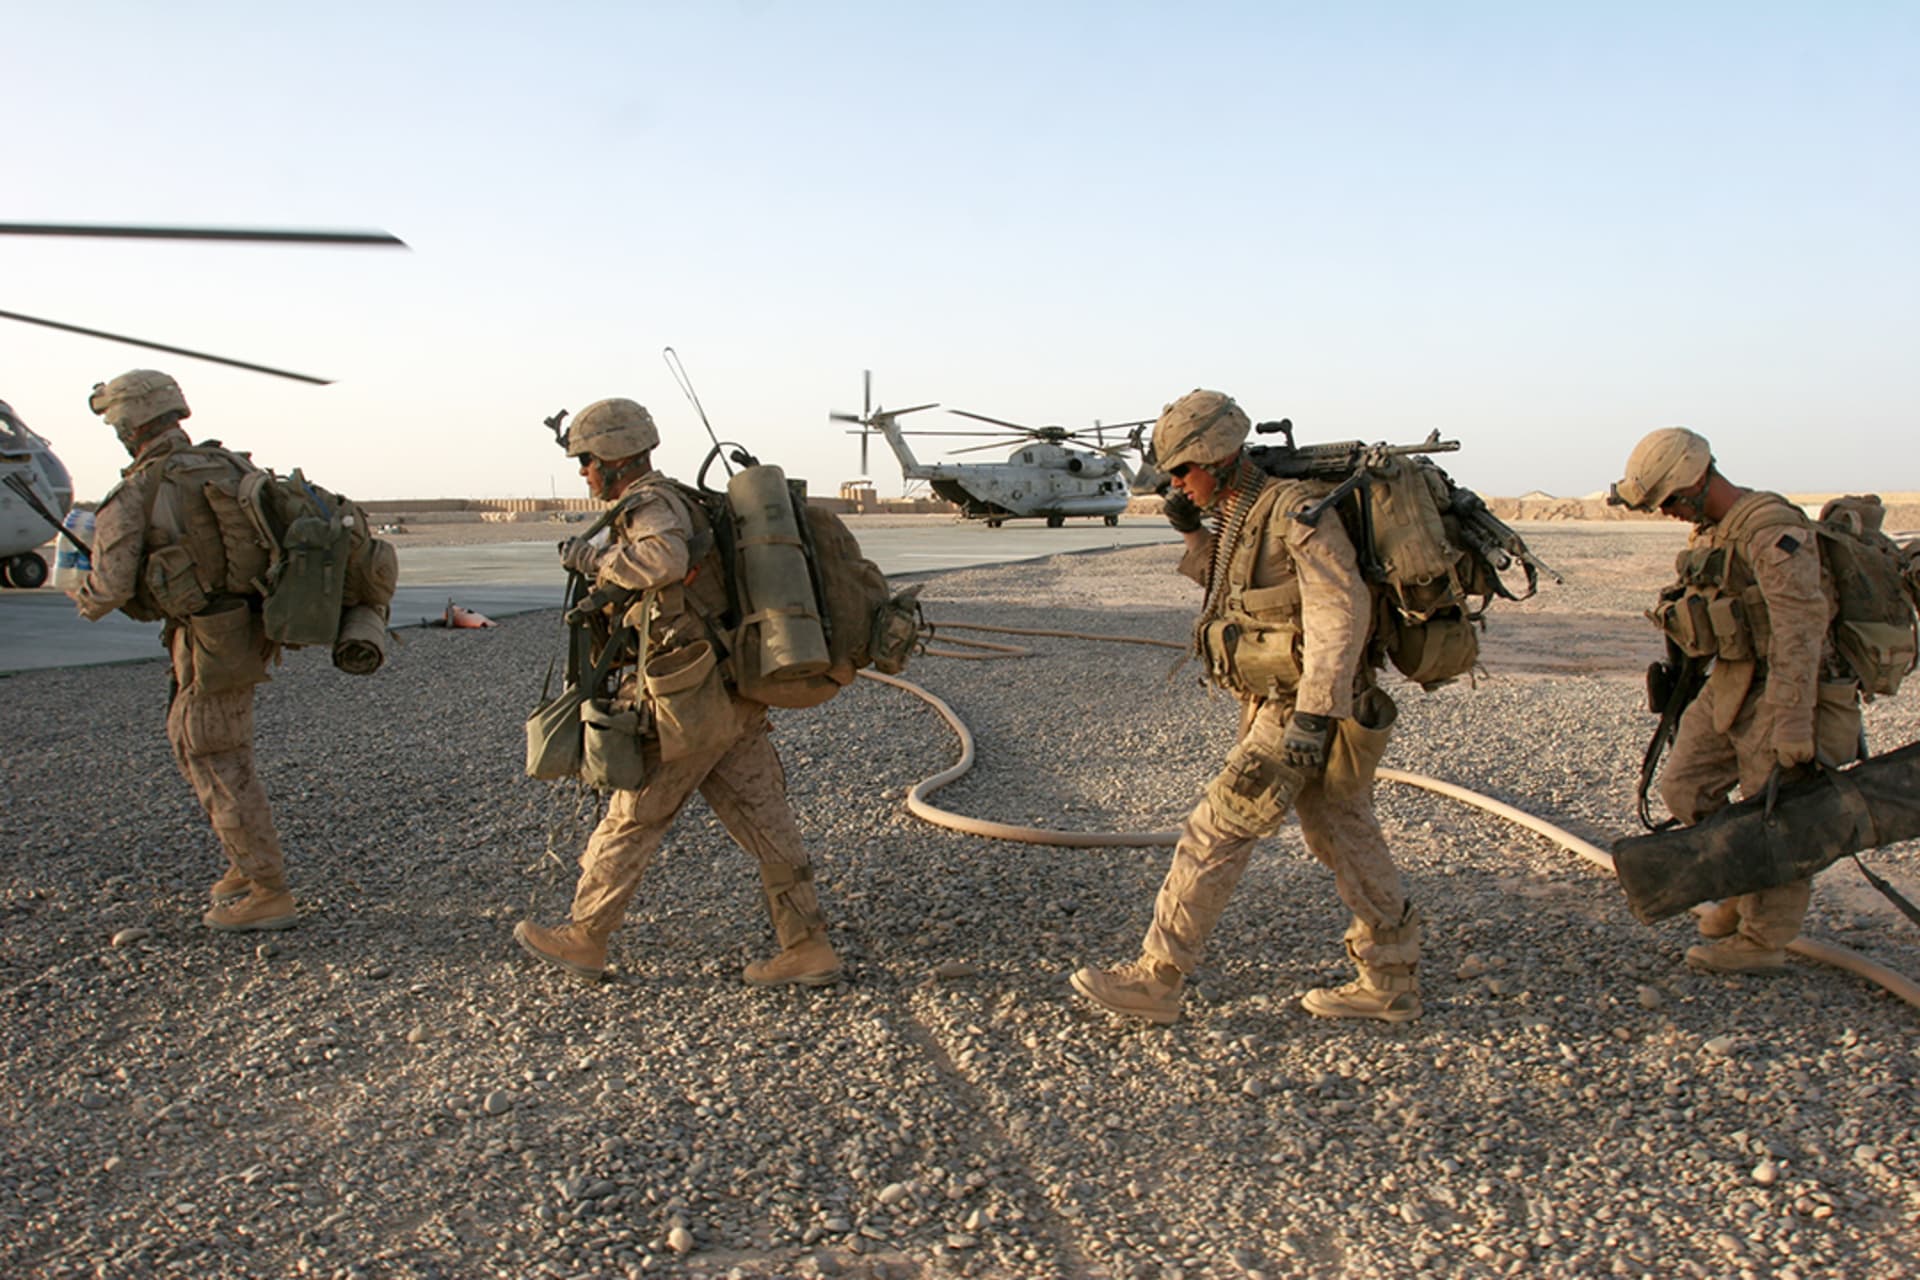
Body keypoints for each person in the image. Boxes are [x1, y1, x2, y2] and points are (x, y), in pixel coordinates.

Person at [1071, 390, 1420, 1024]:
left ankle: (1158, 978)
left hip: (1302, 710)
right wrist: (1189, 528)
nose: (1177, 482)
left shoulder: (1296, 511)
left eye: (1183, 471)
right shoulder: (1245, 510)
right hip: (1286, 705)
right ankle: (1390, 978)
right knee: (1341, 834)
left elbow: (1340, 612)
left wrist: (1314, 717)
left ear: (1217, 458)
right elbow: (1230, 585)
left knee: (1216, 830)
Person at [513, 398, 842, 987]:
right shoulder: (679, 500)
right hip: (730, 696)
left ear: (614, 459)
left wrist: (594, 557)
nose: (584, 472)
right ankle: (807, 945)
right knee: (765, 816)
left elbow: (663, 559)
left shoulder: (651, 504)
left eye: (587, 460)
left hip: (688, 698)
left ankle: (585, 938)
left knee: (634, 813)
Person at [1609, 427, 1859, 973]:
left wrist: (1794, 721)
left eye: (1671, 500)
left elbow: (1801, 627)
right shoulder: (1715, 533)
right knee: (1684, 785)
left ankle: (1763, 939)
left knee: (1780, 815)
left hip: (1790, 685)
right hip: (1733, 680)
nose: (1670, 512)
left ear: (1698, 478)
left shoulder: (1770, 529)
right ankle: (1742, 888)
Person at [69, 370, 296, 932]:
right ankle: (244, 865)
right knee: (198, 742)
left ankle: (269, 890)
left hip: (209, 636)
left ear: (132, 422)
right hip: (243, 627)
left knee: (215, 753)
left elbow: (111, 585)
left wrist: (81, 593)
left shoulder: (141, 488)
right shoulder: (228, 467)